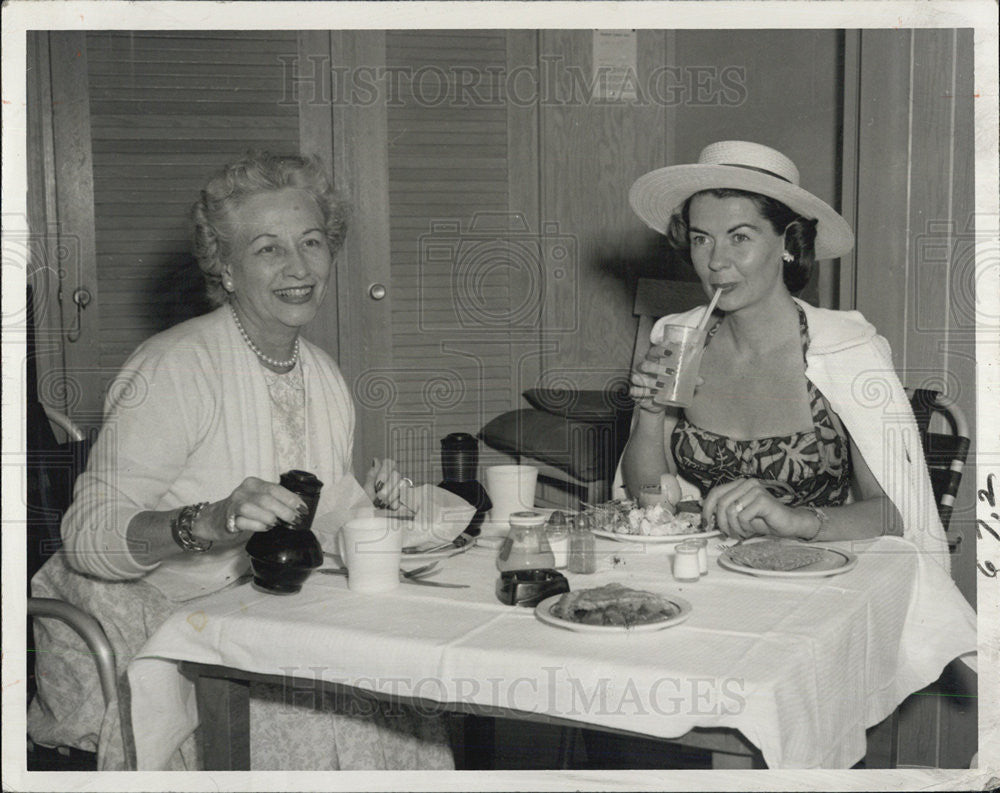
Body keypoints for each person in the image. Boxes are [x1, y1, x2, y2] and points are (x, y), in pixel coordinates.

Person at [27, 151, 454, 770]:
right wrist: (208, 520)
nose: (299, 267)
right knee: (322, 709)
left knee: (399, 686)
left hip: (257, 612)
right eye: (267, 249)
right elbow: (86, 536)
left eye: (311, 241)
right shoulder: (173, 368)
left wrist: (380, 511)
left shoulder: (323, 375)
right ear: (225, 269)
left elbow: (325, 514)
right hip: (151, 621)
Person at [621, 140, 949, 564]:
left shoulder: (845, 351)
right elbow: (651, 501)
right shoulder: (679, 339)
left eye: (740, 236)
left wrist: (795, 520)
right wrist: (649, 416)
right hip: (705, 570)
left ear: (787, 242)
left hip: (827, 576)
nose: (716, 261)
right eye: (703, 239)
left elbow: (892, 513)